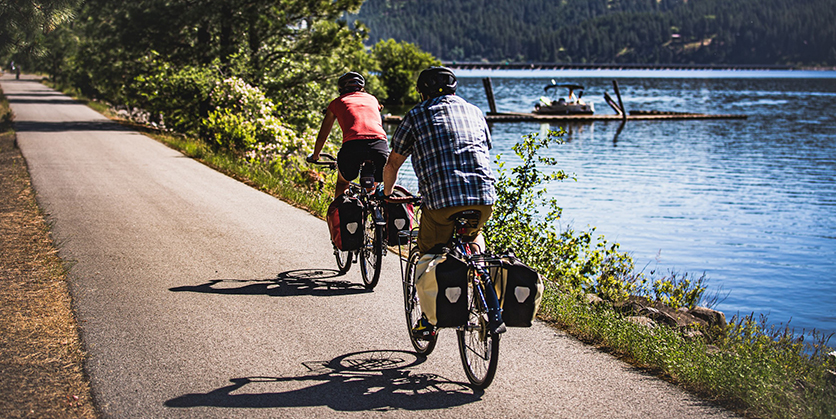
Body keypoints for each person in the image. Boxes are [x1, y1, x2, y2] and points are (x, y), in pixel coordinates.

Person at [382, 66, 498, 336]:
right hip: (484, 198)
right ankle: (480, 277)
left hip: (443, 202)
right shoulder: (475, 111)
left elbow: (393, 163)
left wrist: (387, 195)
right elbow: (483, 148)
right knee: (473, 235)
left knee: (429, 252)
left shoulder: (415, 115)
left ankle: (428, 320)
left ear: (422, 92)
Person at [308, 72, 389, 197]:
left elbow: (322, 136)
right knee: (374, 186)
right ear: (362, 88)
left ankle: (340, 214)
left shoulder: (337, 103)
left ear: (341, 89)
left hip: (353, 146)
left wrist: (315, 156)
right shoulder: (372, 99)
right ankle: (375, 211)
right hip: (380, 145)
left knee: (342, 182)